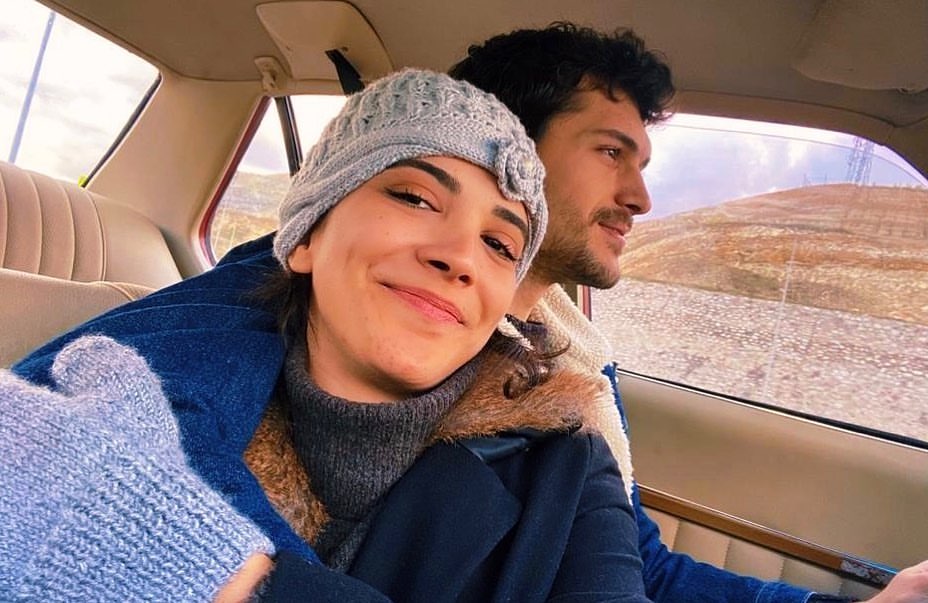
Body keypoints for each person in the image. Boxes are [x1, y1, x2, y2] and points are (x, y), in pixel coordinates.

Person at [3, 68, 650, 602]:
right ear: (307, 235)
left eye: (500, 244)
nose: (460, 257)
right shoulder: (165, 398)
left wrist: (240, 581)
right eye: (415, 198)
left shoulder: (572, 468)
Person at [448, 22, 928, 603]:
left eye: (641, 166)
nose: (640, 199)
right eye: (610, 153)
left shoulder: (576, 363)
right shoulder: (424, 359)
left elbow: (644, 566)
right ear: (509, 156)